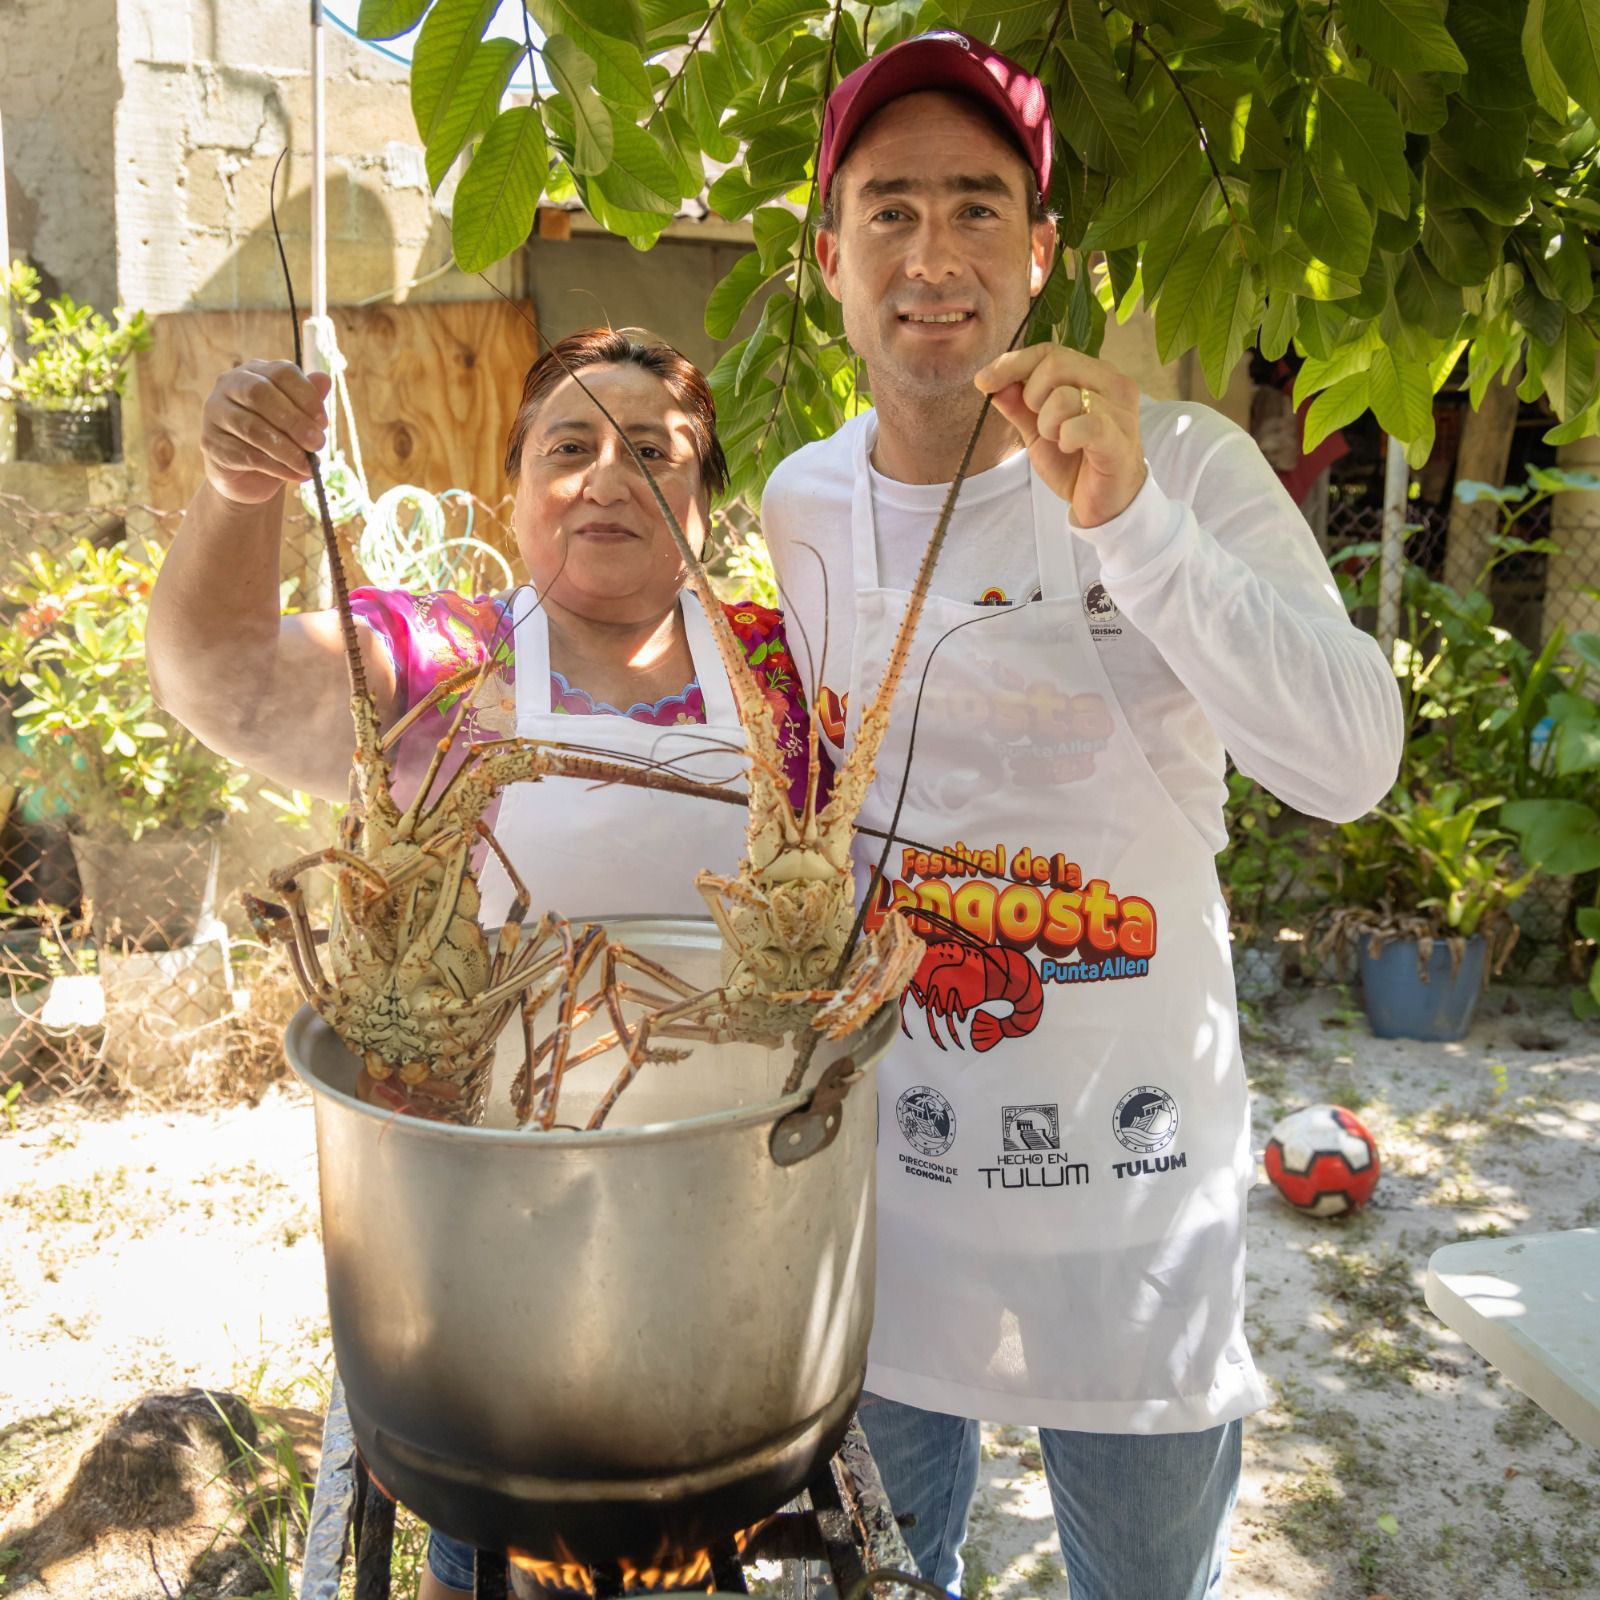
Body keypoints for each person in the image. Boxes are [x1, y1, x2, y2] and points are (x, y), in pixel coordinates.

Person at [759, 31, 1404, 1599]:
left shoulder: (1180, 460)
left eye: (980, 207)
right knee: (889, 1580)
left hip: (1136, 1214)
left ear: (1041, 254)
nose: (934, 252)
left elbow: (1351, 761)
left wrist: (1130, 524)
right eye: (890, 207)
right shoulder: (801, 502)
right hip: (889, 1209)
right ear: (827, 251)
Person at [145, 326, 812, 1600]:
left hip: (733, 1206)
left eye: (652, 453)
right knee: (489, 1507)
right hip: (480, 1220)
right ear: (512, 494)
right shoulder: (438, 657)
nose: (607, 477)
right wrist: (240, 492)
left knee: (707, 1486)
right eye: (568, 446)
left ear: (702, 503)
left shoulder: (780, 671)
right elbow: (218, 675)